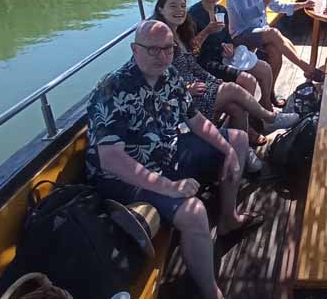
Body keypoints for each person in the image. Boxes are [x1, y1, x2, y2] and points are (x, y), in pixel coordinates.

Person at [86, 20, 259, 299]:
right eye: (152, 50)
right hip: (124, 177)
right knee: (194, 212)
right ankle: (210, 291)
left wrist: (227, 150)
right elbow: (111, 160)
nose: (162, 56)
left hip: (168, 151)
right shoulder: (112, 89)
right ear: (134, 49)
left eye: (168, 49)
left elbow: (195, 120)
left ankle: (228, 218)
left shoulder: (170, 76)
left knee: (238, 139)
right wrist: (169, 187)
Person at [154, 0, 298, 146]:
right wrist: (186, 89)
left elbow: (193, 65)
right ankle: (270, 118)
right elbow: (157, 80)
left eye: (183, 6)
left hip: (201, 80)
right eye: (173, 6)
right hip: (182, 98)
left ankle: (242, 147)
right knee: (233, 88)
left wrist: (215, 78)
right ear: (160, 9)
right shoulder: (159, 41)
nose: (180, 10)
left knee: (237, 108)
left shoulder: (181, 33)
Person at [226, 0, 323, 94]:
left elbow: (278, 6)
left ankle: (269, 95)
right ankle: (307, 69)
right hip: (240, 35)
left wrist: (303, 4)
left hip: (261, 31)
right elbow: (245, 17)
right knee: (274, 33)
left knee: (275, 50)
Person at [189, 0, 277, 111]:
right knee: (248, 81)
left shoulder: (221, 10)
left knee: (265, 69)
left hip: (225, 56)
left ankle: (266, 104)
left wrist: (229, 46)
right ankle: (250, 117)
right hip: (206, 62)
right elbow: (191, 49)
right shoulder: (193, 15)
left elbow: (228, 38)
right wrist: (206, 31)